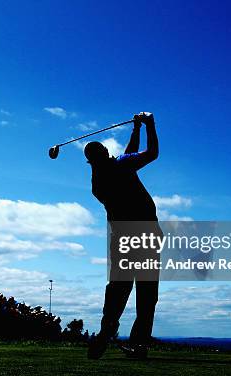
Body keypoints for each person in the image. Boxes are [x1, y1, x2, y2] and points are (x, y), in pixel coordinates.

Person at [86, 112, 162, 360]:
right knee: (147, 292)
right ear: (106, 153)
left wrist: (136, 129)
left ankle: (108, 327)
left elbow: (128, 155)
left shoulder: (98, 180)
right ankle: (139, 345)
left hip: (121, 239)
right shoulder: (120, 166)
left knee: (118, 288)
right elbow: (151, 153)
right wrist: (149, 124)